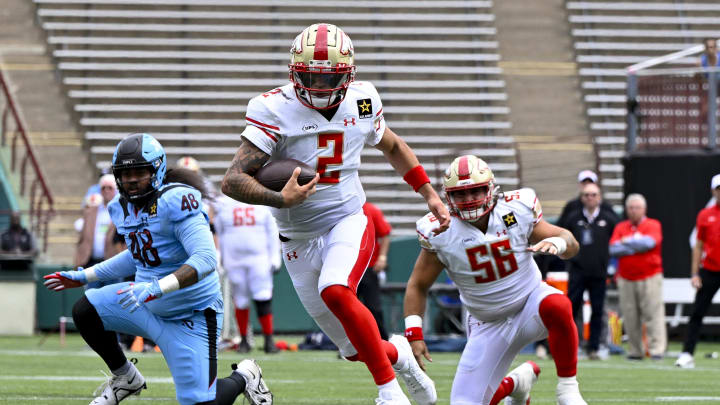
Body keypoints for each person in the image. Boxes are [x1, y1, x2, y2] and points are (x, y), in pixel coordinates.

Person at [220, 23, 449, 405]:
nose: (321, 88)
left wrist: (428, 192)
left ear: (349, 75)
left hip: (347, 218)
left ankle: (389, 393)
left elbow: (392, 146)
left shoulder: (363, 100)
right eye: (310, 77)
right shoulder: (274, 108)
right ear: (295, 72)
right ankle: (401, 357)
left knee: (336, 289)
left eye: (330, 79)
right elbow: (232, 181)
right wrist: (281, 199)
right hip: (296, 237)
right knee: (356, 349)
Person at [43, 133, 272, 405]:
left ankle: (245, 376)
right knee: (86, 309)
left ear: (158, 170)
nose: (130, 179)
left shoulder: (176, 200)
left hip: (191, 314)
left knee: (202, 403)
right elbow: (139, 256)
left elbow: (205, 259)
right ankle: (125, 377)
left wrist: (157, 288)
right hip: (146, 302)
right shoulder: (121, 207)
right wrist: (85, 276)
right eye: (124, 173)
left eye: (139, 171)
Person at [404, 155, 587, 405]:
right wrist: (414, 333)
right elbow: (418, 284)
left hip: (530, 304)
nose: (469, 200)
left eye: (475, 191)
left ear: (490, 189)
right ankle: (516, 383)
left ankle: (568, 390)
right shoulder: (440, 231)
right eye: (461, 194)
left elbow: (571, 244)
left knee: (558, 305)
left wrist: (559, 242)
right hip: (487, 323)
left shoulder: (515, 210)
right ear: (448, 197)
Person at [214, 193, 282, 354]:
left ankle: (268, 339)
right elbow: (219, 231)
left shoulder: (262, 200)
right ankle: (244, 340)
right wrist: (221, 256)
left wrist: (274, 256)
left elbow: (272, 230)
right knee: (240, 300)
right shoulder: (224, 203)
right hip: (234, 259)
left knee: (263, 297)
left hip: (259, 258)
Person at [558, 182, 619, 360]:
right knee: (572, 308)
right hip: (577, 270)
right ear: (581, 197)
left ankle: (594, 347)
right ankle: (572, 346)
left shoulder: (608, 218)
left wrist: (611, 265)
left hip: (599, 272)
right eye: (586, 195)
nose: (590, 198)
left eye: (593, 195)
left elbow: (617, 241)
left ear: (599, 197)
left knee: (598, 310)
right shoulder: (573, 217)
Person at [609, 193, 666, 360]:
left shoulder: (653, 224)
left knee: (652, 314)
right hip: (626, 277)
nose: (634, 211)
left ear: (644, 209)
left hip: (649, 276)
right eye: (631, 208)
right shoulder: (621, 227)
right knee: (630, 315)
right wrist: (636, 245)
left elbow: (649, 243)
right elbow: (613, 249)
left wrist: (626, 242)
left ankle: (656, 349)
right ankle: (635, 350)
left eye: (637, 208)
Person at [676, 174, 720, 369]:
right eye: (719, 189)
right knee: (697, 313)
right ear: (713, 191)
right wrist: (695, 273)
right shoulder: (705, 215)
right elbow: (698, 246)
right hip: (709, 269)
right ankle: (687, 353)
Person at [75, 174, 120, 289]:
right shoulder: (90, 211)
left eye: (110, 188)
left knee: (112, 298)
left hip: (112, 264)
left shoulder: (121, 211)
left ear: (115, 190)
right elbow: (82, 238)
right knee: (90, 299)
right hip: (92, 263)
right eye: (103, 188)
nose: (106, 191)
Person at [357, 201, 392, 340]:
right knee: (347, 308)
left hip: (368, 267)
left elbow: (385, 234)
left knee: (374, 307)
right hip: (347, 267)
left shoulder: (371, 210)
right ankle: (350, 345)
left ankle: (382, 340)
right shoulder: (342, 209)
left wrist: (382, 257)